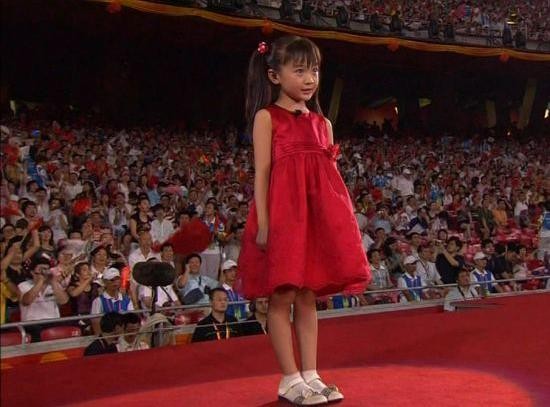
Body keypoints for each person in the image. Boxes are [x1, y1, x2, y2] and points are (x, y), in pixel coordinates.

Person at [238, 36, 370, 405]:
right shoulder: (267, 118)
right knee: (282, 295)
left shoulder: (323, 123)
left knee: (308, 295)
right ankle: (289, 378)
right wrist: (265, 224)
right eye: (299, 71)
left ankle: (310, 374)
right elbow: (262, 174)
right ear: (274, 75)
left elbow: (330, 180)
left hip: (316, 219)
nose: (310, 78)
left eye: (314, 70)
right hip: (284, 217)